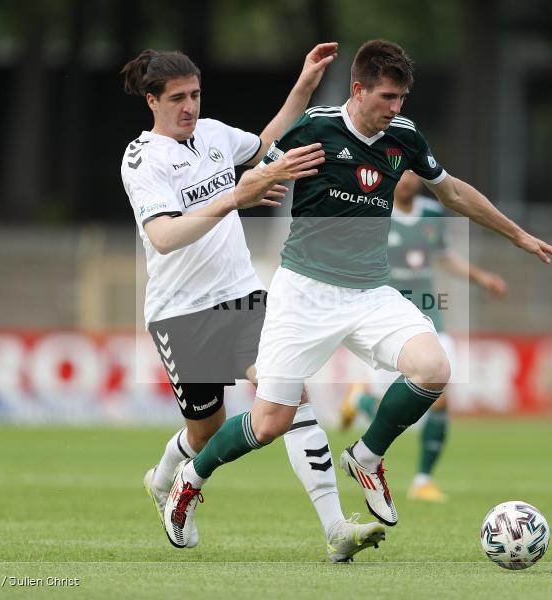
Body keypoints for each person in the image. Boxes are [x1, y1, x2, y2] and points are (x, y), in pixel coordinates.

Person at [161, 39, 552, 546]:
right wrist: (265, 178)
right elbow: (255, 177)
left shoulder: (404, 137)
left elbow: (453, 191)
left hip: (370, 292)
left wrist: (518, 235)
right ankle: (190, 479)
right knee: (268, 424)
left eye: (402, 100)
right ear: (359, 90)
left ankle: (368, 457)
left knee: (434, 369)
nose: (396, 110)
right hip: (304, 293)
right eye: (388, 98)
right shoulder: (315, 128)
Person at [120, 44, 386, 561]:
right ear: (151, 101)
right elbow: (166, 237)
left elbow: (265, 145)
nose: (190, 107)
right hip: (181, 312)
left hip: (242, 295)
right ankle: (165, 479)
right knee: (208, 431)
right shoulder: (142, 158)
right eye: (177, 98)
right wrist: (238, 196)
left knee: (290, 398)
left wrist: (304, 87)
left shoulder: (215, 134)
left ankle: (336, 530)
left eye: (195, 94)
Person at [338, 169, 508, 503]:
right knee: (398, 411)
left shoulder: (432, 213)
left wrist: (481, 277)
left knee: (440, 396)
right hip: (385, 319)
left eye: (414, 174)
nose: (407, 180)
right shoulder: (375, 209)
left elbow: (445, 258)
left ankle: (423, 480)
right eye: (402, 174)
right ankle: (361, 402)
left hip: (428, 315)